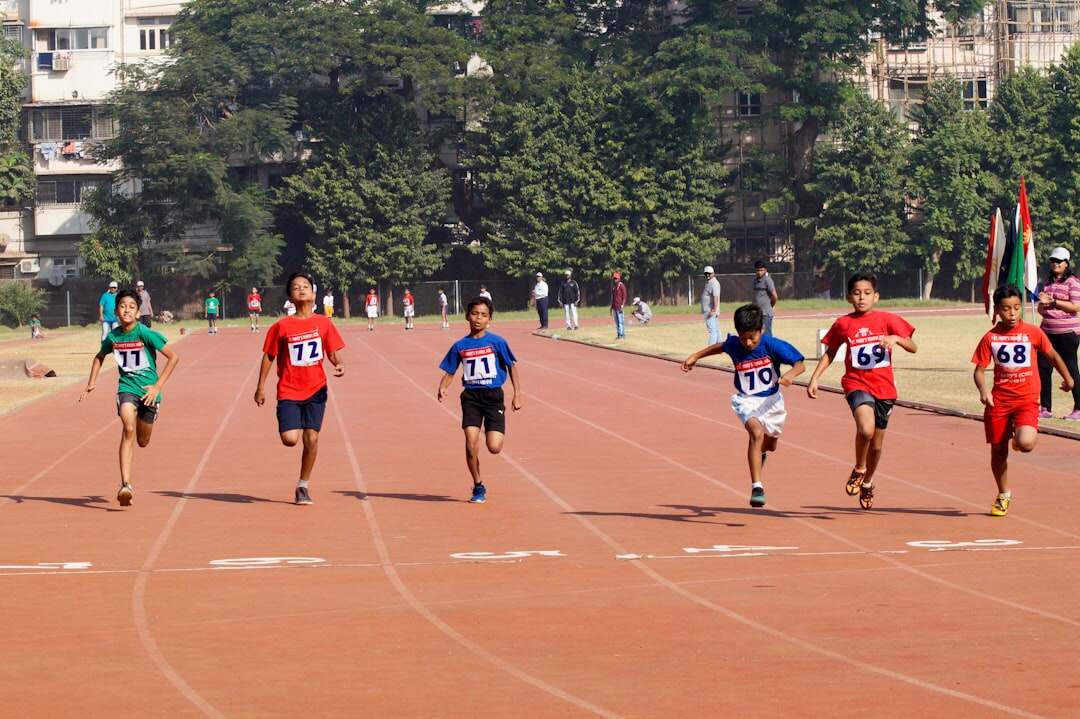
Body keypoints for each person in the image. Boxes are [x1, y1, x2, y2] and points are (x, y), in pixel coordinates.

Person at [806, 272, 917, 510]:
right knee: (865, 429)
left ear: (876, 296)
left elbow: (913, 346)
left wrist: (896, 338)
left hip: (884, 389)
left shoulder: (887, 319)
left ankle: (868, 482)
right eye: (856, 293)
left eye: (867, 293)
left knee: (876, 446)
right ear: (848, 297)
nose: (861, 298)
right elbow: (830, 352)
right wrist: (815, 377)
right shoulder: (844, 323)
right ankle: (859, 467)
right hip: (856, 383)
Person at [682, 304, 805, 507]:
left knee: (770, 445)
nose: (747, 343)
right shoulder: (735, 344)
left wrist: (790, 375)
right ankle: (757, 486)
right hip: (746, 400)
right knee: (756, 433)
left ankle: (761, 453)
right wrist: (695, 356)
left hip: (772, 402)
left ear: (761, 330)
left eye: (752, 338)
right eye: (743, 338)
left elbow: (799, 364)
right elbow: (720, 346)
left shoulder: (772, 345)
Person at [973, 284, 1073, 517]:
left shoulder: (1033, 332)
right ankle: (1003, 493)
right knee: (998, 451)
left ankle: (1018, 439)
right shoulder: (990, 337)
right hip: (999, 402)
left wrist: (1068, 379)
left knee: (1026, 443)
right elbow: (979, 370)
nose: (1012, 313)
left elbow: (1053, 355)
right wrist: (983, 390)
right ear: (997, 310)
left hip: (1026, 400)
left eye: (1017, 308)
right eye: (1006, 309)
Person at [79, 288, 180, 507]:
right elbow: (99, 357)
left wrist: (157, 386)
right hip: (127, 389)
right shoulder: (113, 336)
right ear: (116, 311)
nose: (127, 310)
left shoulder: (145, 333)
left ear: (137, 312)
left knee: (143, 441)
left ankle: (145, 423)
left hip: (149, 393)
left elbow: (174, 357)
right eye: (123, 306)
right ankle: (125, 485)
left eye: (131, 307)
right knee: (128, 429)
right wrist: (91, 382)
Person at [254, 271, 345, 505]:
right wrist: (260, 387)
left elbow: (332, 352)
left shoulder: (323, 323)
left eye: (305, 286)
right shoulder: (281, 327)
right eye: (296, 287)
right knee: (290, 439)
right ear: (289, 297)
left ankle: (303, 486)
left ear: (314, 293)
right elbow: (269, 356)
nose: (301, 289)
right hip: (289, 390)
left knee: (312, 439)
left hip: (316, 389)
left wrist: (338, 363)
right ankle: (287, 420)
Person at [437, 296, 522, 504]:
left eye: (483, 315)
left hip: (493, 397)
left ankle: (492, 431)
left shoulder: (497, 342)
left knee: (494, 447)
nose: (478, 318)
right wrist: (443, 387)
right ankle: (478, 485)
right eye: (475, 314)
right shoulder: (460, 345)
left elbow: (512, 366)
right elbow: (450, 370)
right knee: (470, 443)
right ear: (467, 316)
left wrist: (517, 394)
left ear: (489, 319)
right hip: (471, 398)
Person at [1035, 246, 1080, 420]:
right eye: (1053, 261)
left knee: (1070, 368)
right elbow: (1040, 309)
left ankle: (1078, 408)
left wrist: (1053, 301)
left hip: (1067, 332)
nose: (1055, 264)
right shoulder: (1046, 282)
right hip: (1046, 331)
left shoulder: (1073, 282)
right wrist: (1043, 303)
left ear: (1066, 263)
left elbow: (1076, 306)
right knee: (1043, 368)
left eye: (1059, 261)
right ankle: (1045, 407)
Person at [752, 260, 778, 335]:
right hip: (757, 313)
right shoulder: (755, 281)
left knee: (766, 334)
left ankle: (770, 347)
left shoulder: (767, 280)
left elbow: (775, 296)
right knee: (758, 334)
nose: (759, 272)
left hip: (766, 313)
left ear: (765, 270)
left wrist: (770, 306)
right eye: (757, 270)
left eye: (761, 270)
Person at [701, 266, 722, 345]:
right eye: (706, 273)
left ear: (713, 273)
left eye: (709, 273)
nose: (707, 275)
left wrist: (713, 309)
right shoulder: (709, 282)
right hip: (709, 309)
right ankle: (719, 346)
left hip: (710, 310)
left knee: (712, 330)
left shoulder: (714, 283)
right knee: (716, 329)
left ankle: (710, 348)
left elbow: (716, 297)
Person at [610, 271, 627, 339]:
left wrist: (622, 305)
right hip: (614, 306)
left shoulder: (621, 285)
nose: (615, 280)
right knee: (616, 322)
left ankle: (622, 334)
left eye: (616, 278)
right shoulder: (614, 287)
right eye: (614, 278)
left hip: (619, 306)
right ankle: (618, 334)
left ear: (619, 278)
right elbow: (613, 298)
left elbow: (624, 296)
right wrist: (611, 308)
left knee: (621, 321)